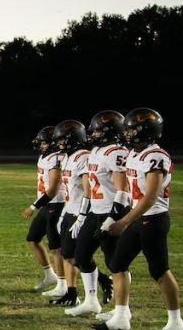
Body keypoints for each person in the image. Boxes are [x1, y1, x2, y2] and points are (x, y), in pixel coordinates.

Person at [101, 108, 183, 330]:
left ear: (147, 131)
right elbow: (131, 192)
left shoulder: (156, 156)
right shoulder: (134, 154)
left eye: (132, 129)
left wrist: (124, 221)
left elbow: (150, 198)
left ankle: (176, 322)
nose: (127, 133)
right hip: (138, 217)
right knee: (117, 263)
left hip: (153, 219)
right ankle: (120, 317)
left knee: (159, 270)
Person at [65, 111, 126, 318]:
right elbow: (89, 188)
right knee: (80, 256)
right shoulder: (94, 152)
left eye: (99, 130)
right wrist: (82, 214)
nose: (94, 134)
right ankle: (91, 301)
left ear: (110, 131)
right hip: (94, 211)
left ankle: (122, 310)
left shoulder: (116, 152)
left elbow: (122, 190)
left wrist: (113, 218)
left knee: (115, 264)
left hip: (110, 212)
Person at [49, 120, 91, 308]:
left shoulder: (83, 157)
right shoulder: (68, 157)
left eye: (63, 139)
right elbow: (69, 191)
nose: (60, 143)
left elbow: (87, 190)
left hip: (80, 212)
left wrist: (82, 215)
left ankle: (104, 282)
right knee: (67, 254)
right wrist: (64, 213)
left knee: (78, 257)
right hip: (70, 210)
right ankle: (71, 293)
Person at [21, 126, 64, 294]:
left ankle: (63, 284)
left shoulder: (56, 158)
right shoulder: (44, 157)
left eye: (44, 142)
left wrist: (33, 206)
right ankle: (50, 275)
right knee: (33, 239)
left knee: (56, 247)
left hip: (57, 204)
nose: (41, 145)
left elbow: (53, 189)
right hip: (47, 204)